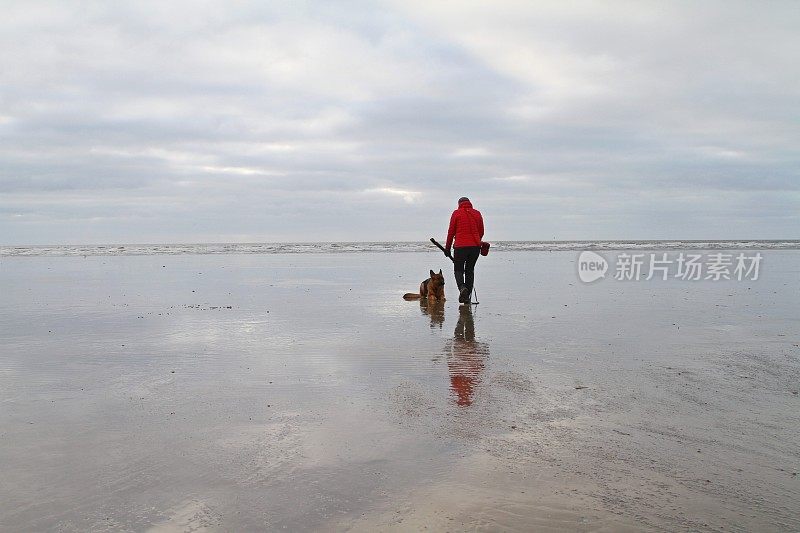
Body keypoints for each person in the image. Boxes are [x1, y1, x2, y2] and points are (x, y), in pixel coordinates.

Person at [444, 196, 484, 304]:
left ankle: (462, 288)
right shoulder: (477, 213)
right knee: (469, 271)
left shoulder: (456, 213)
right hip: (475, 247)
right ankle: (468, 298)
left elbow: (451, 232)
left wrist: (447, 248)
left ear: (459, 204)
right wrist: (476, 241)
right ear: (469, 203)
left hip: (460, 247)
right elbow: (481, 232)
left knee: (458, 270)